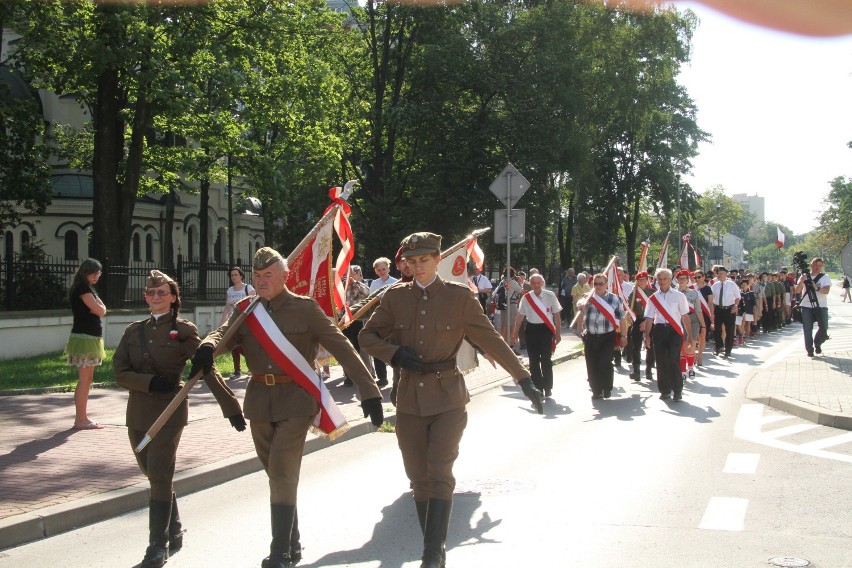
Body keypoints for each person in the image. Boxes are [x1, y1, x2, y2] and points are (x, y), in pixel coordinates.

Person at [359, 232, 543, 568]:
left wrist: (524, 378)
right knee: (418, 477)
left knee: (440, 470)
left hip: (448, 398)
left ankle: (433, 553)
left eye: (424, 261)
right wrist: (395, 353)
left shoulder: (459, 297)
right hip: (409, 399)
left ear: (437, 259)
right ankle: (432, 546)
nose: (417, 268)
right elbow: (367, 335)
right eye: (412, 262)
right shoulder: (395, 297)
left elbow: (491, 338)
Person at [192, 247, 384, 568]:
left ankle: (279, 552)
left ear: (285, 276)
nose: (262, 281)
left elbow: (343, 347)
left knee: (281, 469)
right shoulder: (246, 309)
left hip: (297, 399)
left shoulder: (305, 309)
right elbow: (222, 333)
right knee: (276, 474)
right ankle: (292, 543)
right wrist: (207, 346)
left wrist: (370, 392)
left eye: (268, 275)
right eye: (257, 276)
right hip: (258, 402)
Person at [114, 270, 245, 568]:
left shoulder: (184, 330)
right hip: (137, 412)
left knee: (159, 473)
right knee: (151, 472)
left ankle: (156, 546)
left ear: (173, 298)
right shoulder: (133, 331)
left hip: (170, 411)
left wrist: (231, 407)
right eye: (151, 293)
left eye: (162, 292)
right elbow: (119, 370)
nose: (156, 297)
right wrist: (146, 383)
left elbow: (205, 368)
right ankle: (174, 529)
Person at [64, 258, 107, 430]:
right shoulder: (83, 289)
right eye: (94, 273)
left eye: (99, 273)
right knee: (85, 380)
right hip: (85, 338)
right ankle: (81, 419)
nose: (97, 276)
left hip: (88, 337)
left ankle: (81, 417)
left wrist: (100, 308)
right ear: (86, 272)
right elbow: (100, 310)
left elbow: (101, 309)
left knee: (87, 379)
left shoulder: (87, 288)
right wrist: (100, 308)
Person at [643, 268, 693, 401]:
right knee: (661, 361)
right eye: (659, 279)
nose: (662, 281)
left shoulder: (679, 296)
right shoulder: (653, 298)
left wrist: (689, 336)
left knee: (673, 359)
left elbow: (685, 316)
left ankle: (677, 390)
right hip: (659, 330)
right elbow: (649, 318)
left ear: (671, 280)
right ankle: (664, 390)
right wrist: (647, 335)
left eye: (665, 279)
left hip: (674, 331)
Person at [512, 273, 562, 397]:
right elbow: (520, 316)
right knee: (533, 360)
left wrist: (558, 333)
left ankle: (548, 387)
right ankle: (538, 387)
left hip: (546, 330)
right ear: (530, 284)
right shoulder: (526, 298)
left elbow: (556, 315)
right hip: (531, 330)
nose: (536, 285)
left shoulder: (550, 296)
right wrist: (515, 333)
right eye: (533, 283)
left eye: (538, 283)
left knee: (546, 359)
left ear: (542, 283)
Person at [578, 272, 626, 400]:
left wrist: (623, 336)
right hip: (591, 336)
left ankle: (606, 387)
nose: (598, 286)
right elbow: (581, 303)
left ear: (606, 285)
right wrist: (581, 305)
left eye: (600, 284)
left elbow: (622, 319)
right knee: (592, 363)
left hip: (607, 336)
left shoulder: (615, 299)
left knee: (605, 362)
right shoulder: (588, 297)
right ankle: (596, 390)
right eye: (595, 284)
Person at [340, 264, 375, 386]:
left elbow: (368, 294)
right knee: (346, 349)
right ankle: (349, 377)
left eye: (349, 273)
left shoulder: (359, 285)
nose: (346, 276)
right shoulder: (339, 286)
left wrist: (354, 283)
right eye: (344, 273)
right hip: (343, 320)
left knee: (362, 349)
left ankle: (368, 375)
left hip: (358, 320)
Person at [219, 267, 255, 379]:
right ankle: (237, 370)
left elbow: (255, 303)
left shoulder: (248, 288)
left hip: (246, 320)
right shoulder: (230, 290)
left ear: (241, 276)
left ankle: (252, 365)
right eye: (232, 275)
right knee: (233, 344)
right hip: (233, 321)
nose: (234, 277)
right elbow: (227, 307)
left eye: (236, 274)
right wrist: (222, 323)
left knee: (246, 343)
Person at [795, 256, 831, 357]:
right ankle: (809, 350)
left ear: (822, 266)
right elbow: (797, 291)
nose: (817, 267)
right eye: (815, 265)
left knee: (824, 327)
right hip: (806, 306)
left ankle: (817, 343)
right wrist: (802, 281)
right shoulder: (804, 276)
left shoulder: (825, 277)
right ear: (811, 265)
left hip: (821, 306)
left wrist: (816, 287)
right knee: (807, 328)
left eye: (819, 265)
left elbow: (826, 291)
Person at [626, 271, 656, 381]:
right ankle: (636, 370)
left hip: (650, 319)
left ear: (647, 280)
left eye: (643, 279)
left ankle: (648, 369)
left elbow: (656, 309)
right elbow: (630, 308)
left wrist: (647, 322)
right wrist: (629, 315)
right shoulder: (633, 293)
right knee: (635, 346)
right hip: (637, 320)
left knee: (650, 346)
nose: (641, 282)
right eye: (639, 280)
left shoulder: (653, 292)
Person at [675, 269, 703, 379]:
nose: (681, 281)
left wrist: (703, 325)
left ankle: (690, 368)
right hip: (678, 321)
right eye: (679, 279)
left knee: (691, 345)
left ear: (688, 280)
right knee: (682, 345)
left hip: (692, 321)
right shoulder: (673, 293)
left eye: (684, 279)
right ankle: (682, 371)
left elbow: (698, 310)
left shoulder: (693, 293)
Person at [710, 266, 741, 358]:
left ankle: (728, 350)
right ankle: (719, 346)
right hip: (718, 309)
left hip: (729, 309)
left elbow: (738, 297)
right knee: (717, 329)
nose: (720, 275)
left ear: (726, 274)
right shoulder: (715, 285)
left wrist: (735, 306)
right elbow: (711, 299)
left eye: (722, 273)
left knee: (729, 330)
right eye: (718, 274)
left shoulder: (732, 284)